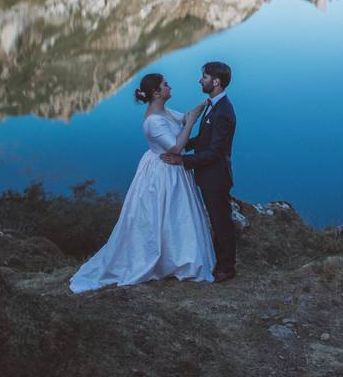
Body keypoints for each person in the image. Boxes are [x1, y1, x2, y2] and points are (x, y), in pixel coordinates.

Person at [69, 74, 215, 293]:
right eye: (166, 84)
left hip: (171, 170)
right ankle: (166, 259)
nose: (170, 86)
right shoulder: (153, 121)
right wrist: (192, 123)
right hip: (163, 171)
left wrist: (204, 104)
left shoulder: (163, 111)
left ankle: (175, 255)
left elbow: (183, 118)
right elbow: (176, 148)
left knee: (173, 215)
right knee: (162, 214)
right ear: (156, 93)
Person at [162, 61, 237, 283]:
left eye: (204, 77)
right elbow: (205, 140)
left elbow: (215, 152)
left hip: (216, 177)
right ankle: (219, 260)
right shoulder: (213, 105)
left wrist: (182, 160)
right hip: (208, 175)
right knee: (216, 219)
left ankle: (227, 267)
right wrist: (183, 144)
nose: (200, 80)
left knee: (221, 221)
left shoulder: (223, 111)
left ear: (216, 81)